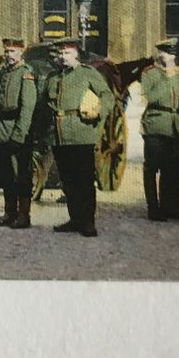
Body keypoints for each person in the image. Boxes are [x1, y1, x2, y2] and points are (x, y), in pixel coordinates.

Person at [35, 37, 116, 238]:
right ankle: (74, 219)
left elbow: (108, 96)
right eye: (60, 54)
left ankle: (88, 222)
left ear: (76, 54)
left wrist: (98, 112)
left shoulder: (88, 74)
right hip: (59, 135)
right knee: (68, 180)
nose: (63, 57)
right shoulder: (53, 77)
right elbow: (43, 105)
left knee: (84, 180)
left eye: (67, 53)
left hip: (81, 133)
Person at [0, 36, 39, 229]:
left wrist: (19, 134)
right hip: (1, 129)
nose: (9, 55)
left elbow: (27, 108)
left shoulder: (25, 74)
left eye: (13, 52)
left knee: (21, 175)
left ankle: (23, 216)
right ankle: (9, 213)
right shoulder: (4, 73)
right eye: (7, 51)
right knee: (6, 174)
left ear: (21, 53)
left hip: (17, 130)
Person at [139, 38, 179, 221]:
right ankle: (153, 208)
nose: (168, 56)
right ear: (159, 54)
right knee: (152, 168)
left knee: (173, 169)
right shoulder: (150, 73)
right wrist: (167, 77)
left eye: (171, 53)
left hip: (176, 126)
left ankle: (171, 207)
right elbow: (151, 97)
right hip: (156, 125)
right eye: (164, 52)